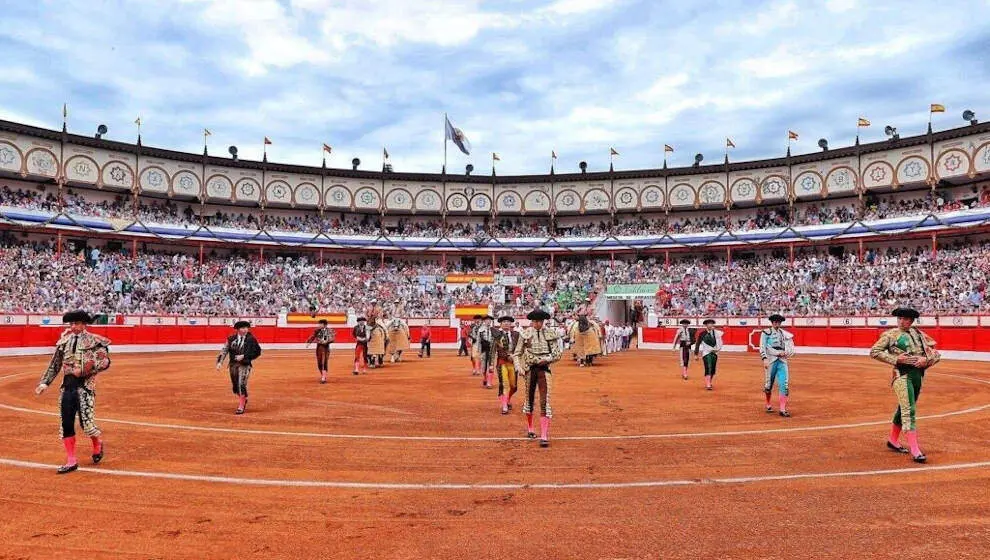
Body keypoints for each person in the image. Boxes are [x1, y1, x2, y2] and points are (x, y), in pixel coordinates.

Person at [34, 310, 112, 474]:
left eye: (76, 323)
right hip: (67, 387)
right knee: (66, 423)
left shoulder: (95, 341)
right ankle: (71, 460)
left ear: (84, 324)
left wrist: (84, 370)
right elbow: (55, 364)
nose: (73, 327)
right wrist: (44, 383)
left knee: (87, 425)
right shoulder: (65, 342)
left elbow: (105, 362)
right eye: (71, 324)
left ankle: (97, 443)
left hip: (85, 387)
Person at [870, 308, 941, 463]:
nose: (901, 321)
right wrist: (896, 360)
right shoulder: (890, 335)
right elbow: (874, 351)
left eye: (905, 319)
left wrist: (927, 360)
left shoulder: (919, 334)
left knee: (903, 408)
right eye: (899, 318)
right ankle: (915, 450)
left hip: (918, 376)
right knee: (909, 410)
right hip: (902, 376)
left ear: (911, 321)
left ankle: (893, 440)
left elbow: (936, 353)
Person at [513, 309, 562, 448]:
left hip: (544, 370)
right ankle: (530, 428)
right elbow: (517, 353)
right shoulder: (526, 333)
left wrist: (546, 358)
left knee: (544, 401)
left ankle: (544, 435)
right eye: (535, 321)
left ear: (543, 321)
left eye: (540, 321)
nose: (537, 324)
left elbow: (557, 354)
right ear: (532, 321)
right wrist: (518, 367)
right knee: (529, 399)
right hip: (529, 370)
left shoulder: (549, 334)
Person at [216, 320, 263, 415]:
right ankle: (243, 398)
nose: (245, 330)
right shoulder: (231, 339)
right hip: (233, 365)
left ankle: (241, 405)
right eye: (243, 328)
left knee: (241, 384)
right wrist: (220, 362)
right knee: (235, 386)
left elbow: (258, 352)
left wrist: (245, 356)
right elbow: (224, 350)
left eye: (246, 328)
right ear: (238, 329)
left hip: (245, 365)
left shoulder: (251, 339)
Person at [760, 314, 795, 417]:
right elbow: (763, 347)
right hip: (771, 361)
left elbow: (790, 347)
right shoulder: (766, 333)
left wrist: (787, 352)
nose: (777, 324)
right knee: (768, 385)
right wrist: (764, 358)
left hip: (782, 361)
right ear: (772, 322)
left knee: (784, 384)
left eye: (779, 322)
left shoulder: (784, 334)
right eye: (775, 322)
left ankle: (782, 409)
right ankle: (768, 403)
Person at [493, 315, 521, 414]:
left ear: (511, 324)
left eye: (508, 322)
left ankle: (507, 399)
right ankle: (504, 405)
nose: (506, 323)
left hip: (513, 363)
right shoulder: (497, 335)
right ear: (501, 324)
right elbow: (493, 350)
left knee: (514, 386)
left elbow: (520, 348)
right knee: (505, 384)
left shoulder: (516, 334)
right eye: (504, 322)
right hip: (502, 363)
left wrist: (516, 357)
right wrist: (491, 365)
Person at [694, 319, 723, 390]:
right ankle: (708, 384)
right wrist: (696, 354)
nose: (711, 325)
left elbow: (720, 342)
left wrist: (718, 349)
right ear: (706, 325)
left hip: (715, 353)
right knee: (708, 367)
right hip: (706, 353)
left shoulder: (716, 333)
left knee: (713, 369)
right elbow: (697, 344)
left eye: (712, 324)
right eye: (709, 324)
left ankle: (709, 382)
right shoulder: (702, 334)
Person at [305, 319, 336, 384]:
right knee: (319, 363)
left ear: (324, 325)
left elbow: (332, 338)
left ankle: (323, 377)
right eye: (319, 324)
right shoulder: (317, 330)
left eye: (320, 324)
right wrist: (308, 343)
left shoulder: (330, 331)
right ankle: (323, 375)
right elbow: (313, 336)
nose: (319, 325)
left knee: (324, 361)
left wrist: (327, 341)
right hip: (319, 347)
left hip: (326, 348)